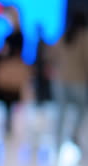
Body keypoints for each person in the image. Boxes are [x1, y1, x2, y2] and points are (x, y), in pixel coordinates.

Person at [47, 12, 88, 149]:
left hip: (60, 80)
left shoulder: (63, 36)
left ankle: (58, 141)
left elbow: (51, 55)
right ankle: (73, 135)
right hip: (78, 80)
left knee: (61, 112)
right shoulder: (84, 37)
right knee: (82, 109)